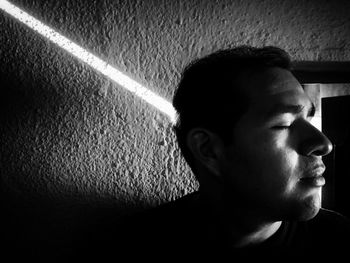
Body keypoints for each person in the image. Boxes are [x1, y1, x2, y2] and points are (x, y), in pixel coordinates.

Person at [77, 46, 350, 261]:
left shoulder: (341, 243)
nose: (323, 143)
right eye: (284, 124)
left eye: (308, 119)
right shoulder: (131, 249)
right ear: (209, 150)